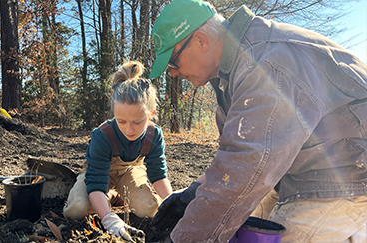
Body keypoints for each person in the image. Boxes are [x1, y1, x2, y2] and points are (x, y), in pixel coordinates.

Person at [148, 0, 367, 242]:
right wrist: (194, 192)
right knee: (232, 226)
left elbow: (246, 166)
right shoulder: (230, 72)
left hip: (348, 177)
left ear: (201, 40)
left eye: (173, 62)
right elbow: (235, 156)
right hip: (299, 173)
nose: (173, 72)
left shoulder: (265, 64)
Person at [63, 61, 173, 241]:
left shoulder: (154, 135)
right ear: (114, 112)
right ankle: (109, 198)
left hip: (130, 171)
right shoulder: (102, 136)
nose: (129, 129)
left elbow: (158, 175)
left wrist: (171, 202)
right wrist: (108, 219)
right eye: (121, 121)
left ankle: (115, 196)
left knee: (150, 208)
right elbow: (96, 180)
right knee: (76, 209)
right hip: (98, 173)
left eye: (137, 122)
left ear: (151, 114)